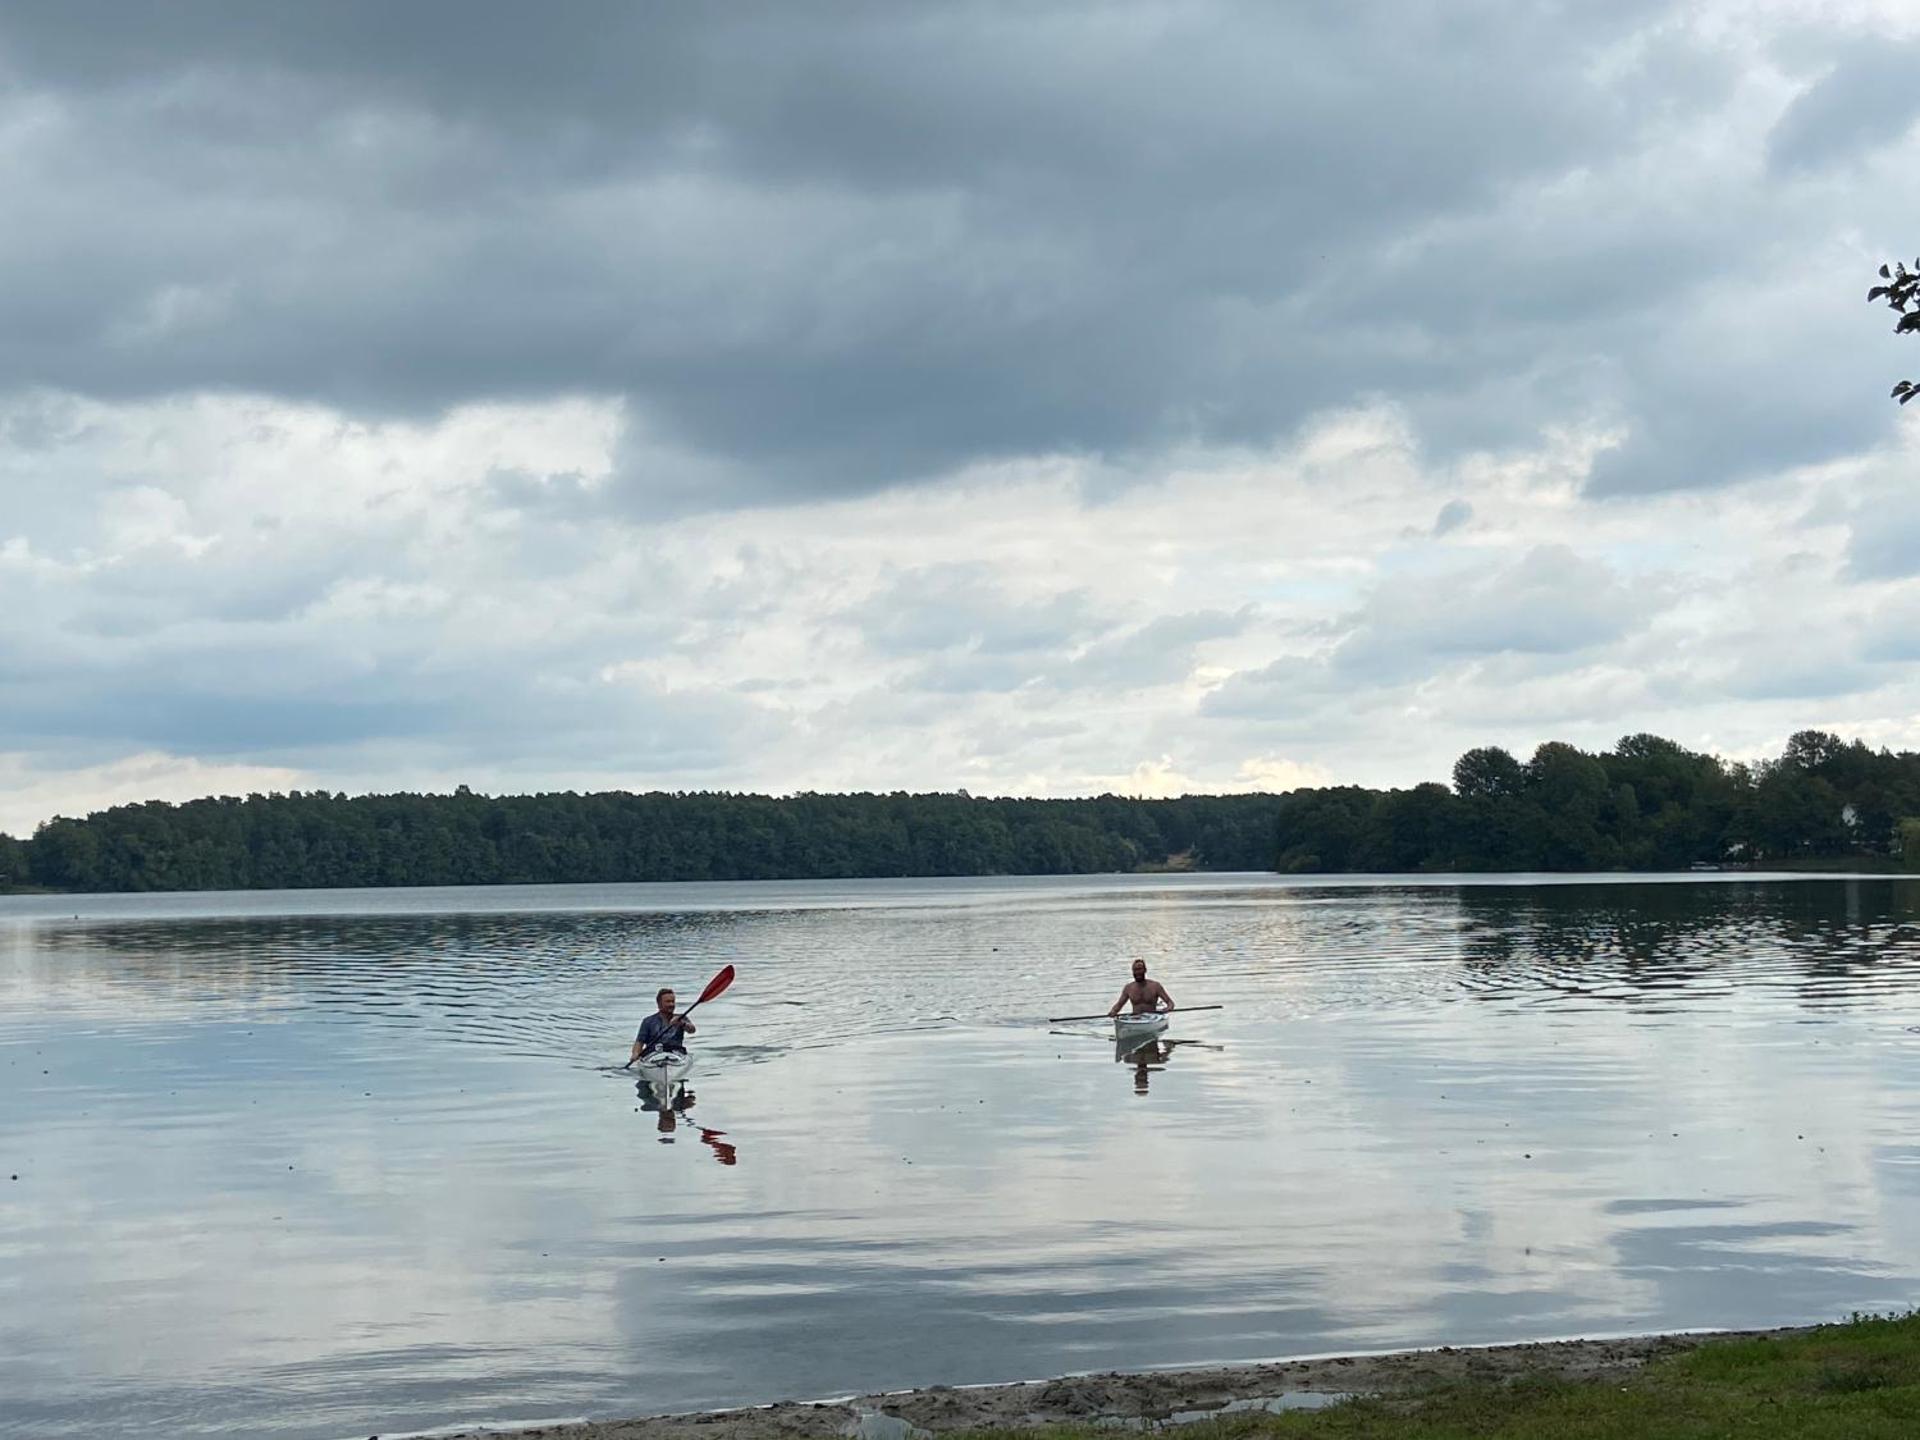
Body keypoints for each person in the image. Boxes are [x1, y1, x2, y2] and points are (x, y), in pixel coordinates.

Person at [631, 986, 696, 1064]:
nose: (671, 1004)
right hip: (653, 1055)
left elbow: (692, 1030)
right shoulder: (648, 1021)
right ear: (659, 1004)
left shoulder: (681, 1018)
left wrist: (682, 1023)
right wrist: (635, 1054)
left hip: (676, 1054)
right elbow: (639, 1042)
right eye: (668, 1002)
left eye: (673, 1001)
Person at [1108, 959, 1173, 1016]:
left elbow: (1170, 1002)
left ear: (1145, 970)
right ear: (1132, 971)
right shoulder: (1128, 988)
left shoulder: (1155, 986)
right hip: (1136, 1019)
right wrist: (1113, 1011)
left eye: (1139, 969)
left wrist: (1168, 1008)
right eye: (1135, 970)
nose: (1137, 972)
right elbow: (1119, 1005)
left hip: (1152, 1018)